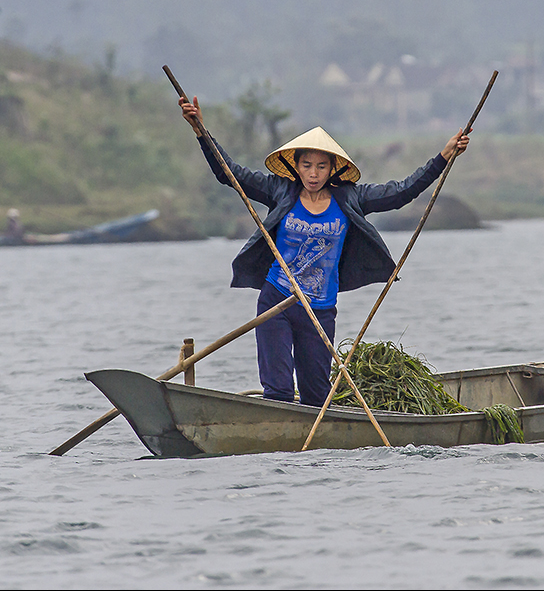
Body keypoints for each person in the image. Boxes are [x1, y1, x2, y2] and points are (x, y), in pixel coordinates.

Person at [180, 96, 470, 406]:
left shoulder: (350, 199)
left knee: (316, 398)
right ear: (296, 166)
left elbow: (402, 191)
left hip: (319, 309)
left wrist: (443, 156)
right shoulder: (280, 190)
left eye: (321, 166)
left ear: (333, 168)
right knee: (278, 391)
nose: (314, 173)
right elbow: (230, 173)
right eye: (307, 165)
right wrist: (200, 129)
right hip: (276, 300)